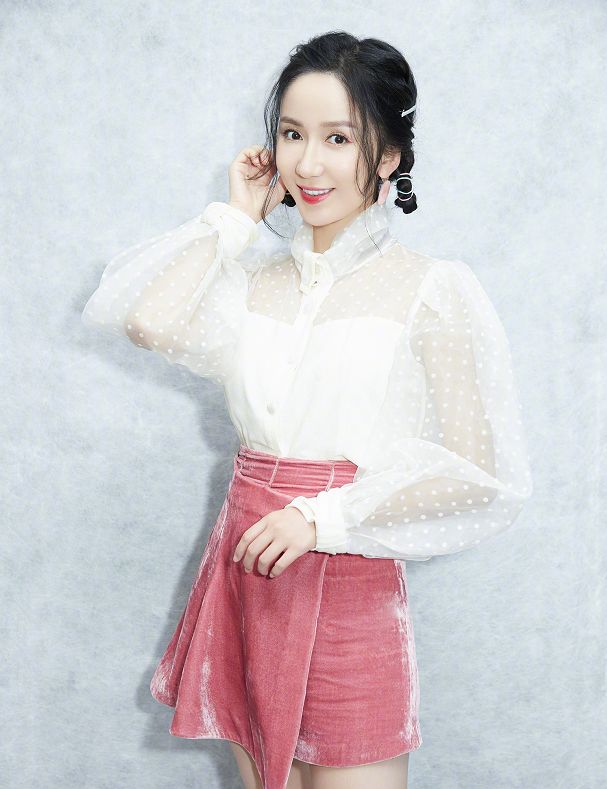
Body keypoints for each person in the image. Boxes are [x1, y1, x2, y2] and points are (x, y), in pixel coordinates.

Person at [81, 31, 533, 789]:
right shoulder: (254, 283)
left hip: (348, 584)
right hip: (248, 572)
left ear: (388, 156)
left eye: (338, 138)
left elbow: (480, 475)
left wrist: (323, 518)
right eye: (292, 135)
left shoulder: (432, 289)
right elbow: (147, 319)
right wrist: (235, 218)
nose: (308, 163)